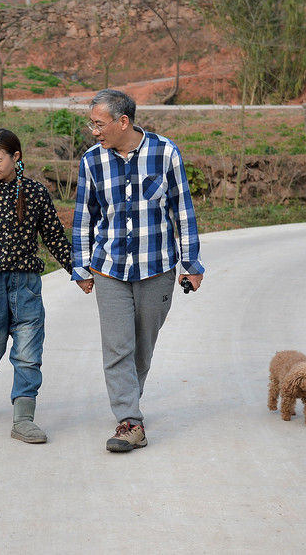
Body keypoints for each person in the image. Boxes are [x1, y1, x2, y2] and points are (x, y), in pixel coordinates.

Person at [71, 89, 204, 452]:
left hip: (156, 267)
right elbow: (85, 217)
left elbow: (182, 211)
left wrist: (191, 262)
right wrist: (81, 266)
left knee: (142, 347)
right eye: (92, 123)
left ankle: (128, 399)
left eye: (99, 123)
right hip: (109, 268)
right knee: (118, 347)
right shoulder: (91, 161)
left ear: (123, 121)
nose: (93, 130)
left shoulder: (165, 153)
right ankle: (130, 420)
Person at [0, 128, 72, 443]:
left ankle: (23, 419)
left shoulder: (35, 193)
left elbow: (52, 235)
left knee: (28, 353)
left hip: (26, 287)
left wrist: (79, 271)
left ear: (15, 157)